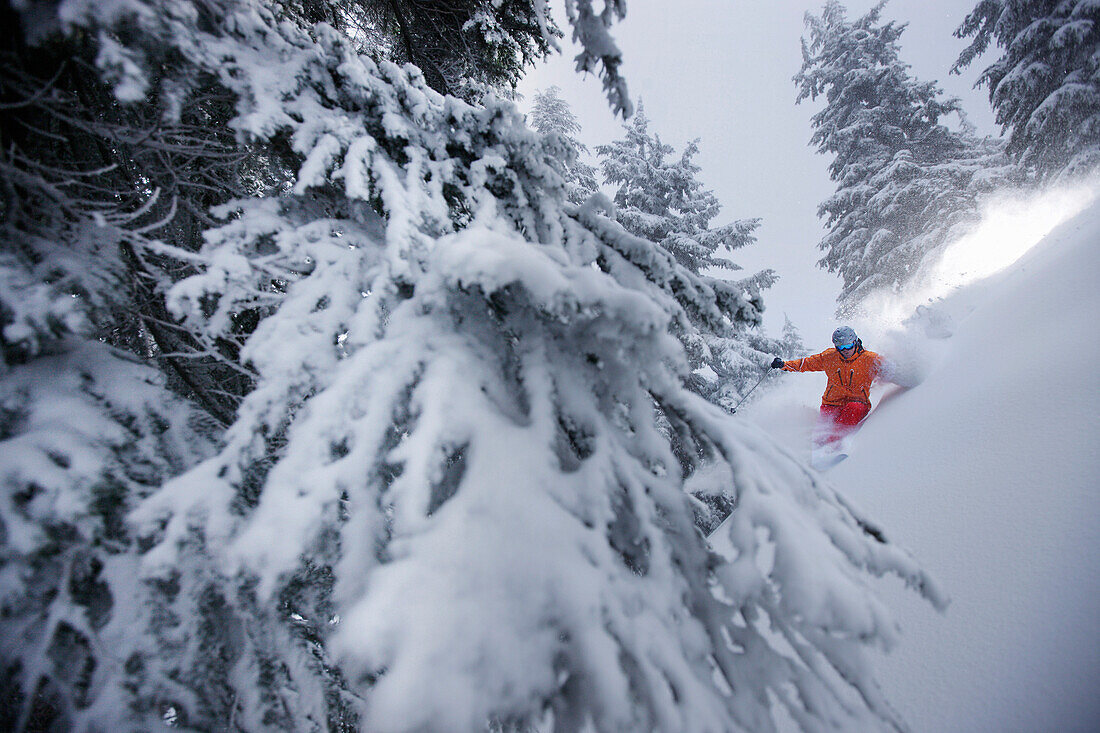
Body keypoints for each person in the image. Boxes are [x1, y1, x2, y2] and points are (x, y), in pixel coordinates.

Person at [770, 326, 895, 447]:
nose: (845, 350)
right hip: (832, 404)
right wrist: (784, 365)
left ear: (855, 342)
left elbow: (891, 370)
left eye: (848, 346)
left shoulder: (869, 359)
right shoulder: (830, 357)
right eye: (840, 347)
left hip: (858, 404)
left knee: (853, 409)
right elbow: (806, 363)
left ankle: (832, 445)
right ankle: (817, 447)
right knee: (822, 429)